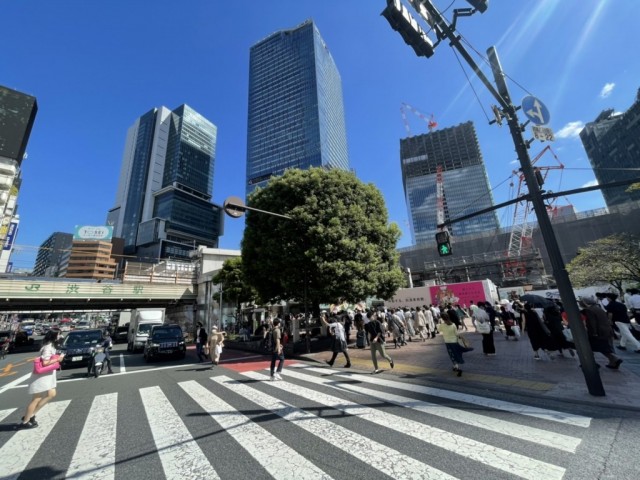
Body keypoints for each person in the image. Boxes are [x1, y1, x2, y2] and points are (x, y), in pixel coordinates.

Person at [18, 330, 64, 429]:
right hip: (41, 377)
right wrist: (58, 359)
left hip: (48, 375)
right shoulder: (48, 347)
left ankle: (31, 415)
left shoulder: (51, 345)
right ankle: (25, 421)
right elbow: (45, 363)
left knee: (51, 394)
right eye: (59, 334)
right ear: (53, 336)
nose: (60, 336)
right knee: (36, 398)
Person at [580, 296, 623, 369]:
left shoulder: (589, 310)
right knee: (602, 347)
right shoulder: (598, 308)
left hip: (598, 332)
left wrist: (593, 333)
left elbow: (592, 323)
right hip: (606, 330)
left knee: (590, 347)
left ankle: (592, 363)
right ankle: (613, 360)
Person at [437, 312, 472, 376]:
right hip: (455, 341)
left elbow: (438, 330)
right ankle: (455, 366)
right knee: (456, 353)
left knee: (451, 354)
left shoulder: (442, 325)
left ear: (442, 318)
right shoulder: (453, 324)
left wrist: (439, 323)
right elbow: (456, 334)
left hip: (448, 342)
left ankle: (456, 367)